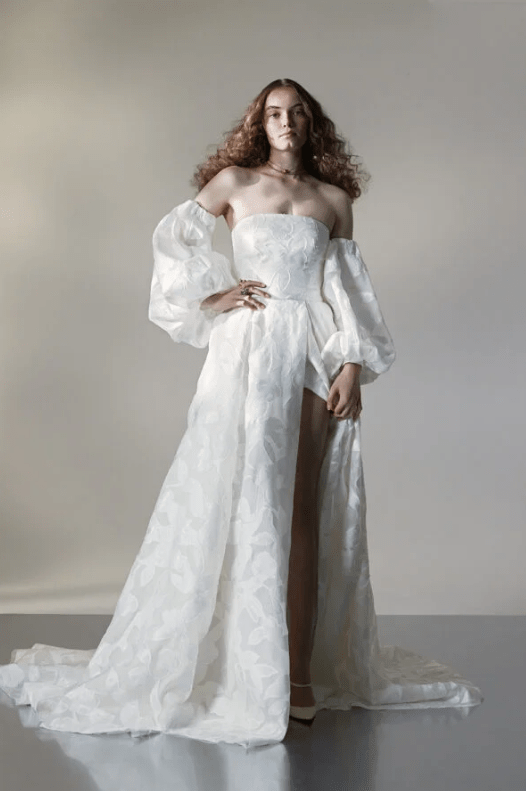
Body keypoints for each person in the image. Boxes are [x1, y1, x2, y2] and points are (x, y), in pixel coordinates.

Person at [0, 78, 483, 749]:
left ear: (311, 122)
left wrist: (351, 363)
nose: (286, 121)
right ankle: (241, 667)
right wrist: (213, 297)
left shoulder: (334, 201)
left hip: (312, 350)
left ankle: (297, 679)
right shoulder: (234, 183)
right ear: (260, 122)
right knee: (242, 495)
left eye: (297, 112)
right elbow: (174, 242)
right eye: (274, 112)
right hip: (248, 351)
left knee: (303, 510)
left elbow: (346, 289)